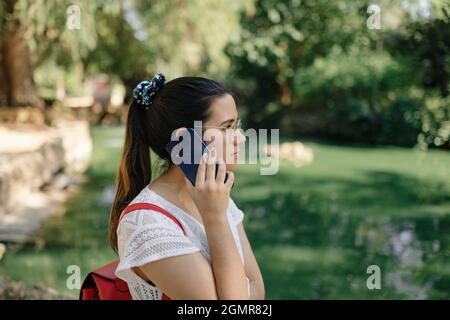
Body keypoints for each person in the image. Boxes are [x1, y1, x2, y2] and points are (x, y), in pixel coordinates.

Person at [109, 73, 265, 300]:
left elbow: (256, 286)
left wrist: (216, 211)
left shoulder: (217, 197)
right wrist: (214, 217)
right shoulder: (146, 224)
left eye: (236, 125)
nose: (240, 138)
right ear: (185, 140)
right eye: (226, 127)